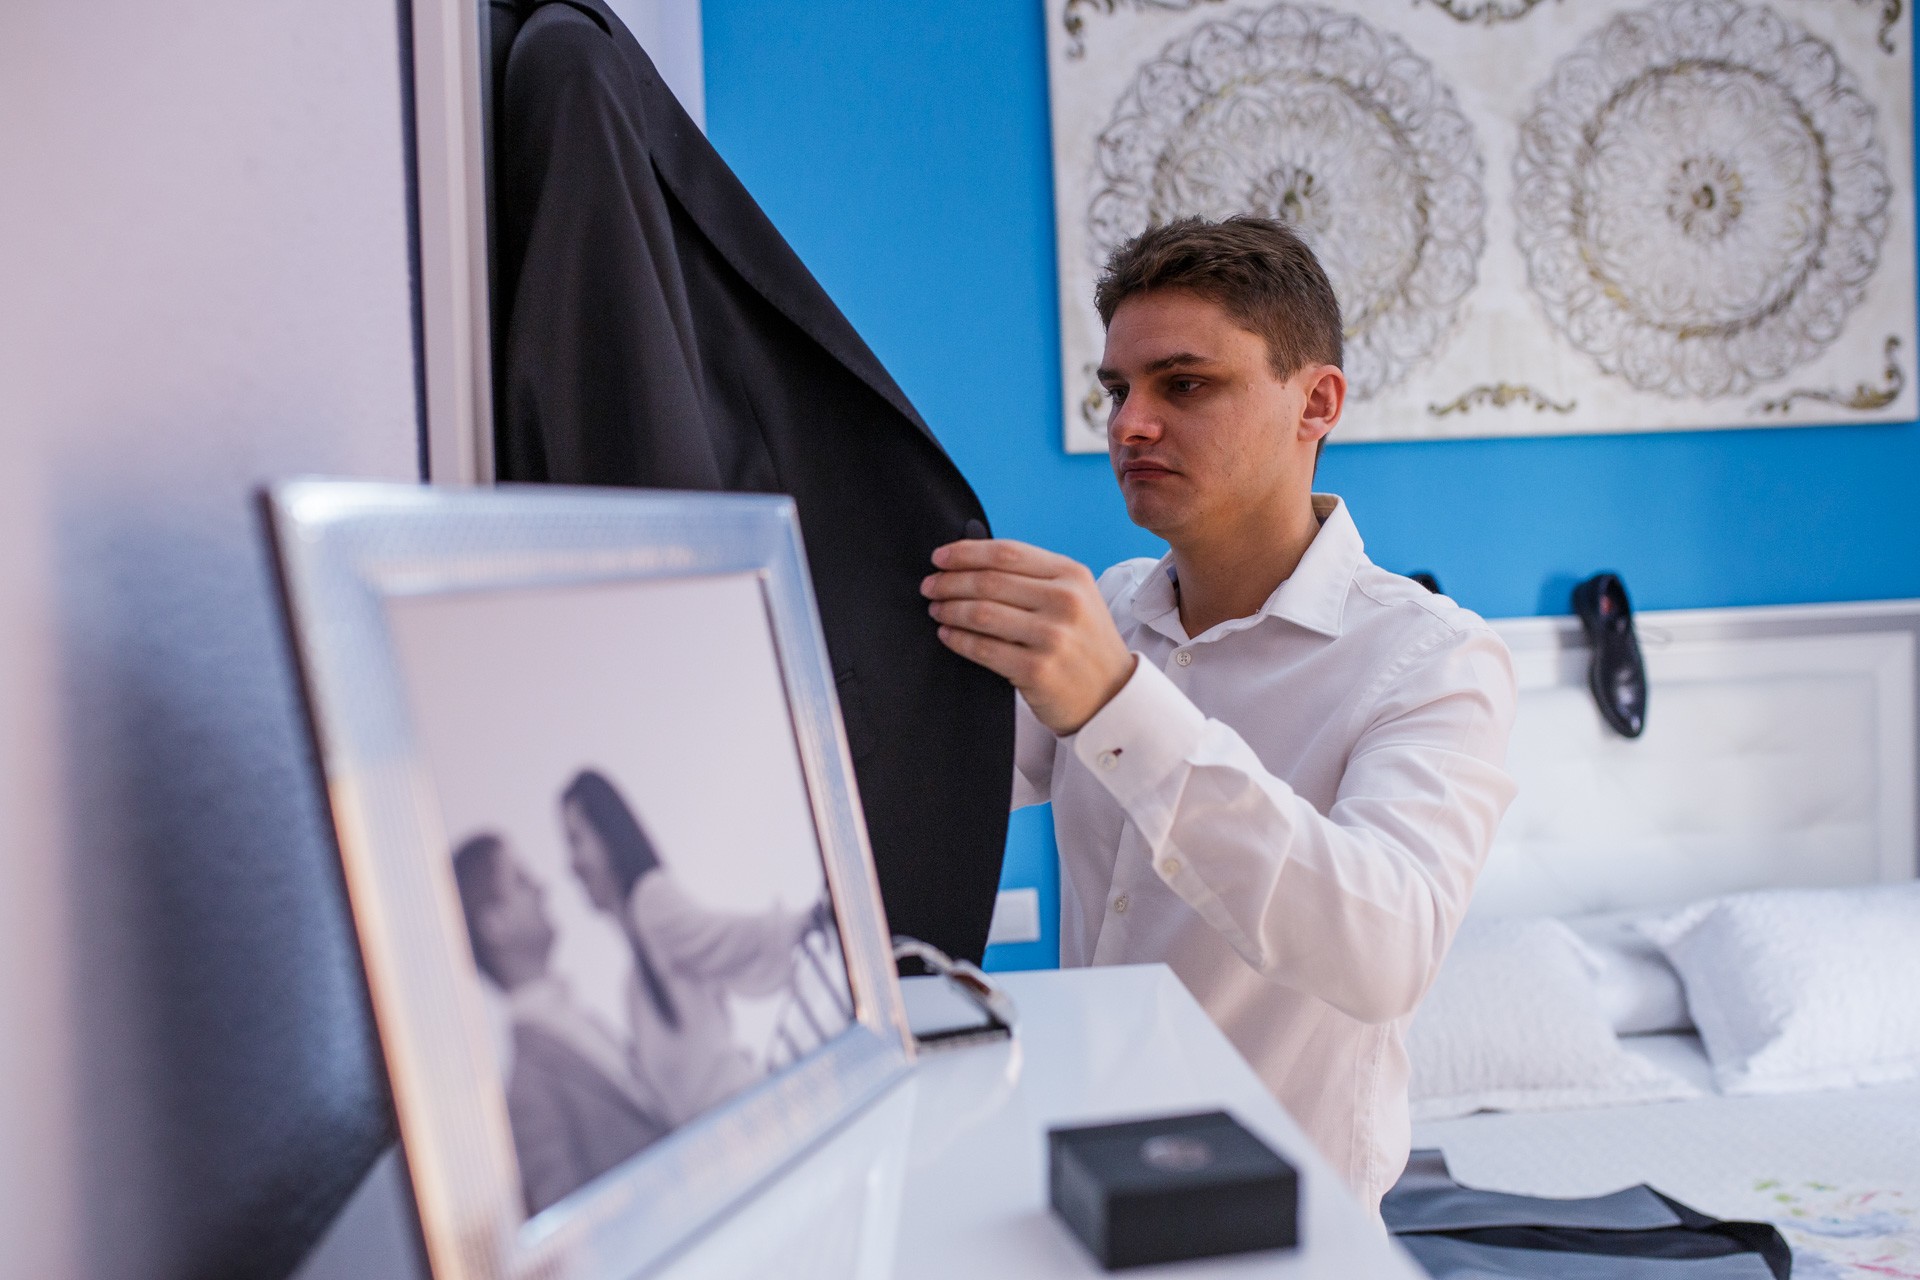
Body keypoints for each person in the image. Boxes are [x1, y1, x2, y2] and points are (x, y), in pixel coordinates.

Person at [919, 215, 1518, 1214]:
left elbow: (1385, 953)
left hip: (1281, 1231)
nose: (1128, 424)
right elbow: (927, 783)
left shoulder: (1431, 660)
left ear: (1314, 401)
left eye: (1184, 384)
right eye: (1118, 389)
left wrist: (1118, 707)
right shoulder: (1108, 611)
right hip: (1072, 1187)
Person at [559, 768, 828, 1128]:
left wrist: (806, 921)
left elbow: (726, 938)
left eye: (576, 839)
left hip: (748, 1124)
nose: (571, 865)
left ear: (608, 836)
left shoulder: (649, 902)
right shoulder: (633, 986)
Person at [452, 832, 667, 1215]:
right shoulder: (527, 1092)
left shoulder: (585, 1021)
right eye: (521, 880)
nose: (543, 887)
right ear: (495, 925)